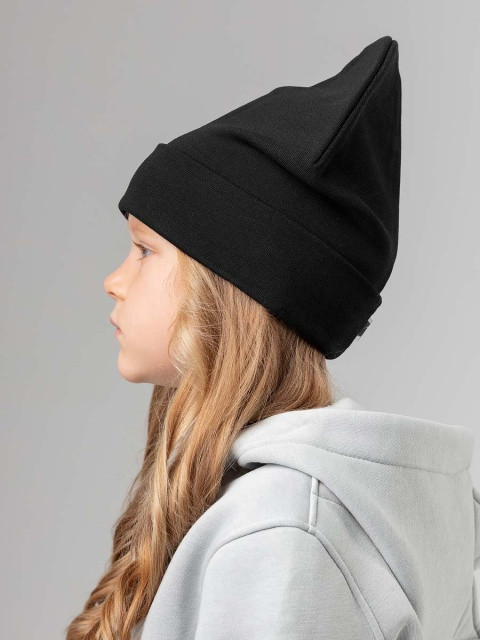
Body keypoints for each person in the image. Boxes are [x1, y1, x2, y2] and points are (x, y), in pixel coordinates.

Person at [66, 35, 480, 640]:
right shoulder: (346, 513)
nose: (114, 281)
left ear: (226, 289)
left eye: (144, 250)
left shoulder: (281, 536)